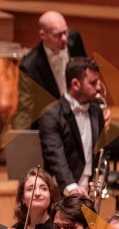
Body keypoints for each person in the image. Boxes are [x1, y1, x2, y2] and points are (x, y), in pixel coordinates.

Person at [38, 57, 106, 196]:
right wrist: (71, 187)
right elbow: (55, 155)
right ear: (75, 84)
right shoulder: (51, 115)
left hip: (89, 191)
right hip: (63, 191)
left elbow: (103, 151)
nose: (98, 87)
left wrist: (101, 178)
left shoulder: (96, 110)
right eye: (93, 83)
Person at [13, 11, 87, 131]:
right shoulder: (30, 66)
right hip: (54, 125)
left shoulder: (74, 39)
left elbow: (86, 74)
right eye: (57, 35)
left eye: (65, 32)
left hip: (80, 112)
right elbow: (25, 110)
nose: (64, 39)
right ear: (43, 35)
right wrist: (20, 140)